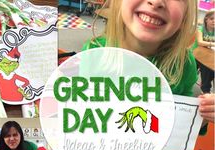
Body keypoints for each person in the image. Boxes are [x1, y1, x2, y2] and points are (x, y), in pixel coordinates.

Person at [83, 0, 215, 124]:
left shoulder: (184, 64)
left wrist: (203, 115)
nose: (156, 2)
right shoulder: (93, 52)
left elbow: (180, 124)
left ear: (185, 17)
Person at [197, 9, 215, 94]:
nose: (214, 21)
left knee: (211, 68)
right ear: (206, 19)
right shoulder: (200, 29)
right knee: (207, 68)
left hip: (209, 56)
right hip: (197, 55)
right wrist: (213, 44)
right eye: (212, 19)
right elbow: (200, 42)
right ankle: (205, 89)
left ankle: (206, 86)